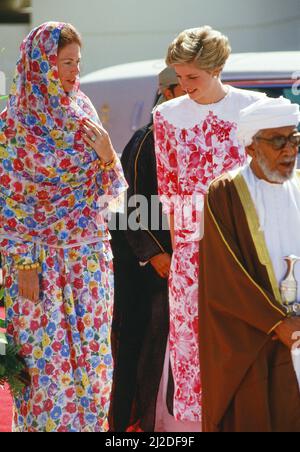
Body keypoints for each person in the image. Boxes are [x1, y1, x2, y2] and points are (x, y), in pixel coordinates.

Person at [0, 22, 127, 432]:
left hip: (88, 258)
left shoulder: (84, 110)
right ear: (40, 64)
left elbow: (113, 195)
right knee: (44, 373)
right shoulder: (12, 124)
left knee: (93, 363)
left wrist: (109, 154)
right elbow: (8, 200)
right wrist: (21, 263)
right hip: (34, 263)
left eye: (77, 63)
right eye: (65, 63)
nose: (75, 72)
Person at [153, 25, 265, 430]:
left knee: (245, 350)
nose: (184, 86)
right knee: (192, 357)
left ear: (217, 67)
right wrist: (184, 254)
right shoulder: (165, 116)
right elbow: (168, 192)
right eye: (179, 77)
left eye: (192, 77)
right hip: (192, 258)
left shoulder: (255, 109)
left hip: (247, 255)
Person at [198, 96, 300, 432]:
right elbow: (225, 274)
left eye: (294, 139)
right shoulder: (225, 192)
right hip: (254, 335)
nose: (289, 150)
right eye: (278, 141)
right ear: (252, 147)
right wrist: (277, 323)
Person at [109, 67, 184, 432]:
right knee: (139, 350)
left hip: (175, 266)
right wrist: (155, 254)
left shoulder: (186, 135)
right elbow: (128, 207)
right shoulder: (148, 139)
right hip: (144, 269)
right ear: (168, 92)